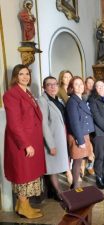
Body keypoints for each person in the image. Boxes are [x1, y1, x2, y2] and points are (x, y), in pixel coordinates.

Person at [3, 64, 45, 219]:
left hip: (33, 140)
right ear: (16, 76)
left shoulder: (28, 92)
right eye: (21, 74)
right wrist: (26, 144)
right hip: (21, 143)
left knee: (30, 174)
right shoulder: (11, 94)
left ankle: (22, 205)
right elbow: (14, 123)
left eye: (27, 74)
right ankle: (23, 207)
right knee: (23, 175)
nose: (25, 77)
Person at [38, 76, 69, 199]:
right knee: (53, 168)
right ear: (44, 87)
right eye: (49, 85)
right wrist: (51, 145)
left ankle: (55, 191)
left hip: (60, 138)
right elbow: (43, 123)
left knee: (57, 167)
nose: (52, 87)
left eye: (55, 84)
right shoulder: (42, 100)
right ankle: (59, 192)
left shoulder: (57, 99)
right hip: (52, 140)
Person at [66, 76, 95, 189]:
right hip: (77, 135)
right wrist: (80, 139)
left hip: (83, 134)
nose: (79, 86)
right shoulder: (72, 101)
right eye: (76, 84)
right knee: (77, 161)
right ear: (72, 88)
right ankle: (75, 186)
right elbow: (74, 123)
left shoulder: (80, 99)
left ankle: (75, 185)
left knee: (81, 159)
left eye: (81, 84)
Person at [57, 69, 73, 184]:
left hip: (73, 121)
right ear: (61, 79)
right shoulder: (59, 91)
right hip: (64, 121)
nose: (67, 79)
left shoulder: (73, 89)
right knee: (66, 147)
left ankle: (73, 168)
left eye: (69, 77)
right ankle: (67, 171)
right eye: (65, 77)